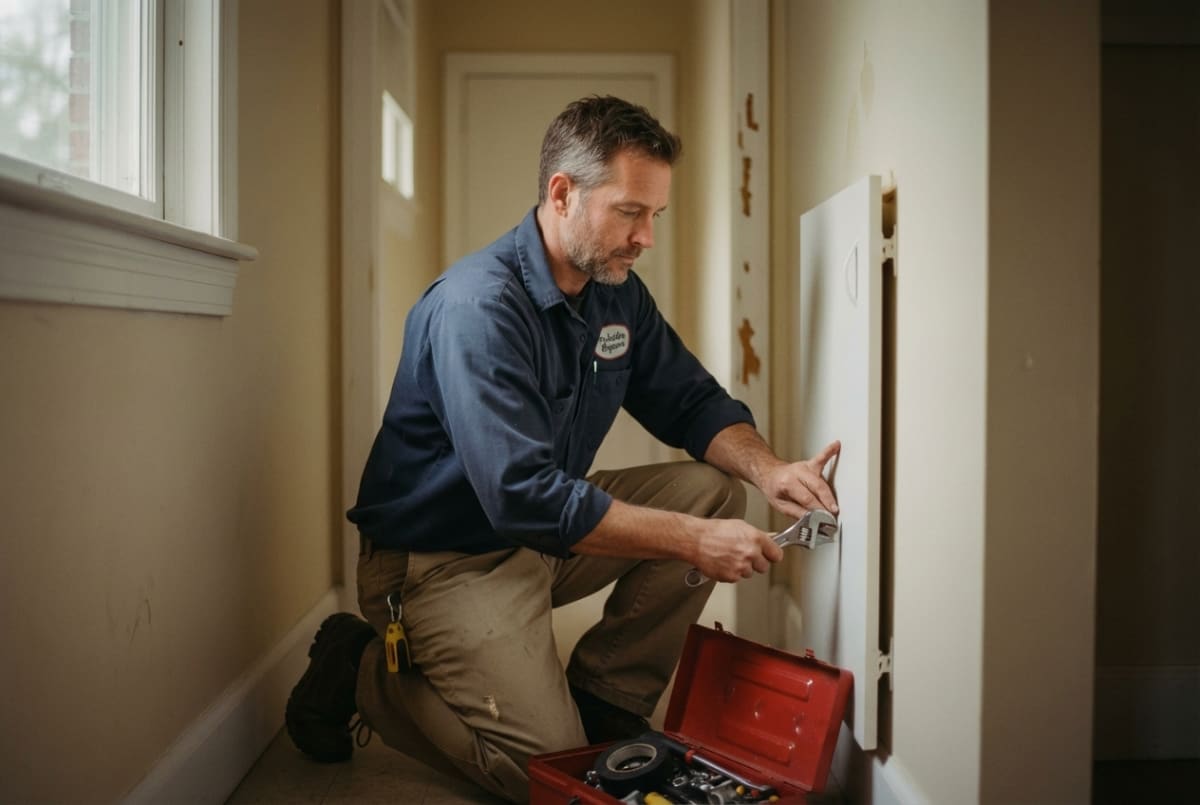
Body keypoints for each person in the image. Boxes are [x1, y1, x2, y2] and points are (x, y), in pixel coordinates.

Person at [285, 95, 839, 803]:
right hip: (441, 561)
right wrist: (694, 542)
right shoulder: (477, 309)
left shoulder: (616, 295)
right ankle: (358, 669)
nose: (646, 238)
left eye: (655, 217)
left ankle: (604, 695)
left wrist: (771, 469)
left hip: (541, 536)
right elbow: (521, 493)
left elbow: (691, 401)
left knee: (715, 488)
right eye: (630, 212)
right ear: (562, 193)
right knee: (559, 777)